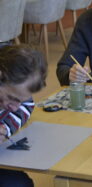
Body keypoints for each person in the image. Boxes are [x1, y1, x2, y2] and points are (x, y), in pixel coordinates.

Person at [0, 45, 47, 187]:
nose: (15, 107)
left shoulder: (17, 91)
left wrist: (5, 127)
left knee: (20, 184)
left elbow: (26, 106)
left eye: (19, 100)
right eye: (12, 98)